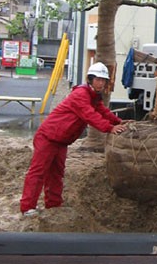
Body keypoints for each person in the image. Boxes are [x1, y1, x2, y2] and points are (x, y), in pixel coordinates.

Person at [20, 62, 129, 216]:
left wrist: (119, 122)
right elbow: (90, 115)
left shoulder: (92, 96)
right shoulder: (81, 95)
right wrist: (110, 128)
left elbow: (103, 111)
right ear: (90, 79)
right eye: (98, 80)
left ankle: (53, 205)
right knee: (38, 172)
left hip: (60, 141)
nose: (101, 83)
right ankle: (27, 207)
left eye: (103, 80)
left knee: (56, 174)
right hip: (48, 138)